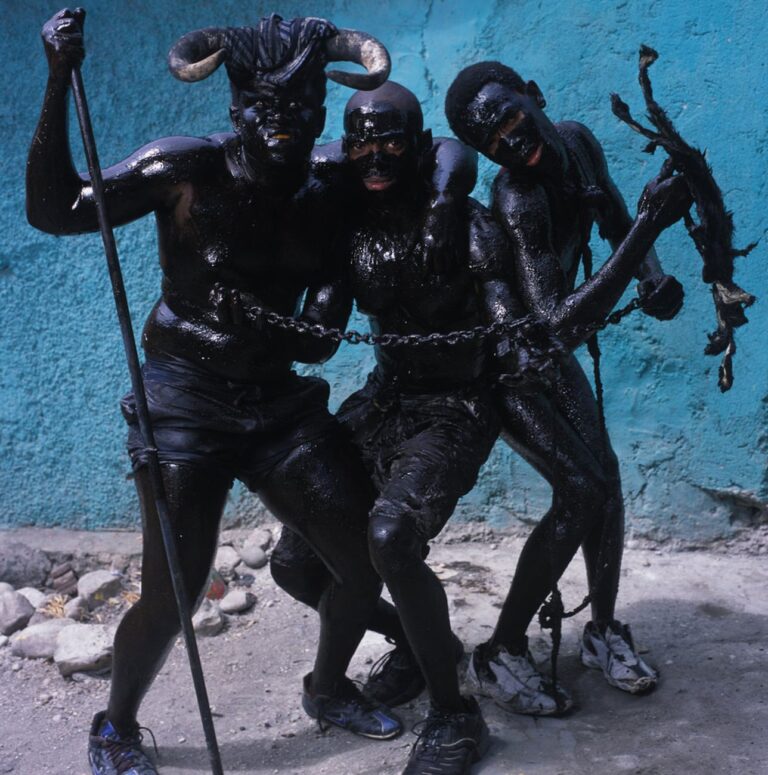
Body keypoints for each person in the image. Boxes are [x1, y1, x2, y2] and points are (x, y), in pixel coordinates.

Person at [26, 9, 409, 773]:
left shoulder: (335, 187)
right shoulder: (186, 169)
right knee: (176, 588)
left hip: (278, 404)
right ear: (235, 106)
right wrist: (59, 78)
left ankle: (328, 686)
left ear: (321, 109)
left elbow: (327, 327)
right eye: (263, 107)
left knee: (363, 557)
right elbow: (57, 209)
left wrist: (291, 329)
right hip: (184, 404)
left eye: (298, 108)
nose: (281, 123)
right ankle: (116, 725)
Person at [267, 81, 558, 775]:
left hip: (455, 403)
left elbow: (497, 295)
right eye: (361, 138)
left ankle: (457, 715)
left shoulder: (464, 218)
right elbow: (324, 324)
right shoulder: (348, 219)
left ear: (420, 144)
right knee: (295, 561)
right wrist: (260, 329)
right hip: (384, 396)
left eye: (391, 138)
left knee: (391, 537)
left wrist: (510, 336)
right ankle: (422, 642)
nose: (374, 154)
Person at [443, 61, 689, 713]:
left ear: (536, 93)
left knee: (602, 478)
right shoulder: (517, 200)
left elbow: (610, 214)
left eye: (509, 117)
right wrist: (647, 234)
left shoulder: (577, 142)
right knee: (582, 489)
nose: (505, 139)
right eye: (487, 138)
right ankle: (500, 650)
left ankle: (603, 630)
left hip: (540, 354)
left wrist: (651, 277)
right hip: (501, 365)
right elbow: (554, 323)